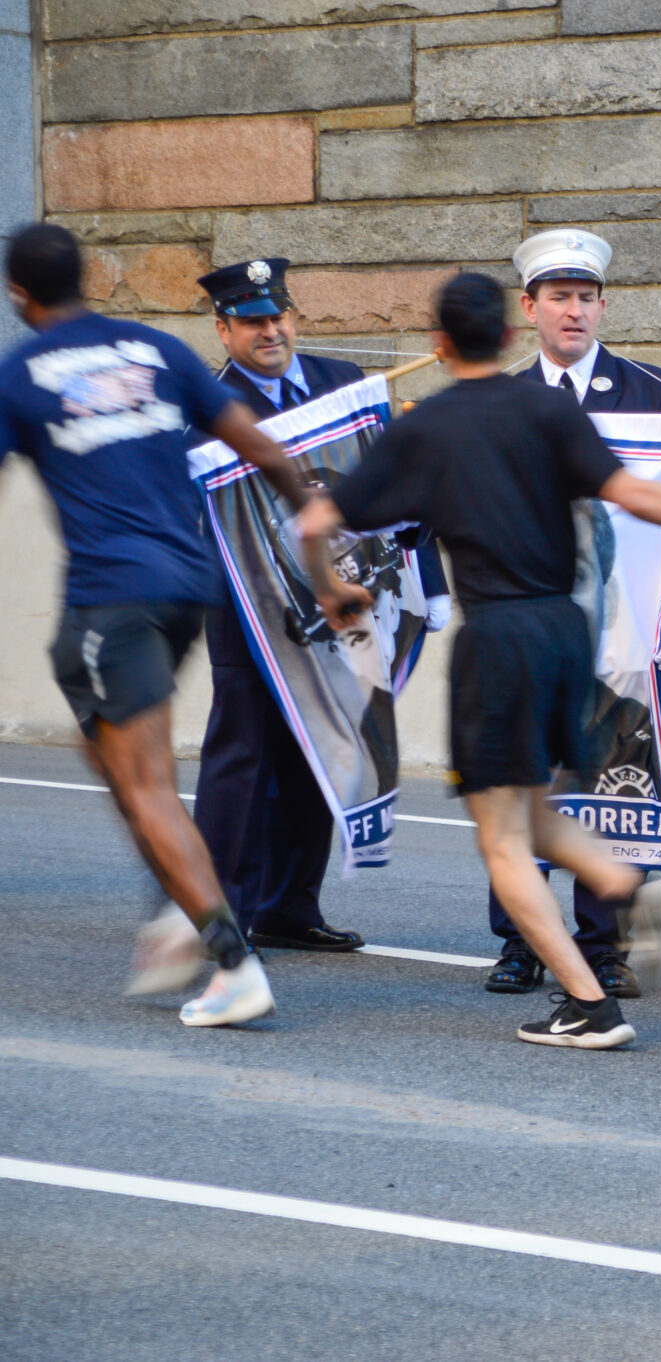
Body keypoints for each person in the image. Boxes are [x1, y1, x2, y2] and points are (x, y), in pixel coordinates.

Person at [299, 272, 661, 1048]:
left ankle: (589, 1006)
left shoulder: (425, 426)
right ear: (509, 332)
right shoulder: (547, 407)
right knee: (533, 814)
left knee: (500, 839)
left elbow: (319, 517)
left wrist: (333, 590)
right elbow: (641, 498)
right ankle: (626, 884)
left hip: (497, 639)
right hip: (567, 634)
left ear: (439, 345)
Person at [0, 222, 310, 1026]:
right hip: (188, 589)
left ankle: (232, 960)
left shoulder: (18, 370)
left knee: (145, 786)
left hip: (113, 598)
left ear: (18, 295)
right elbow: (264, 450)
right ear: (88, 277)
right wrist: (325, 534)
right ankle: (185, 904)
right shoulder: (156, 351)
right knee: (103, 751)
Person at [189, 256, 450, 956]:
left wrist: (429, 571)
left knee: (323, 748)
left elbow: (399, 475)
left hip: (345, 599)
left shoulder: (344, 385)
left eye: (279, 316)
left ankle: (287, 906)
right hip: (251, 609)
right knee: (243, 757)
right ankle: (219, 919)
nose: (270, 331)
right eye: (251, 322)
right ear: (223, 330)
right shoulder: (205, 407)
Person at [480, 229, 661, 1000]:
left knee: (615, 783)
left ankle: (605, 943)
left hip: (620, 626)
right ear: (530, 307)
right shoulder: (504, 397)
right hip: (531, 621)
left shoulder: (655, 390)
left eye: (585, 298)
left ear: (603, 304)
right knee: (523, 785)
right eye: (558, 298)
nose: (573, 312)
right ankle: (519, 940)